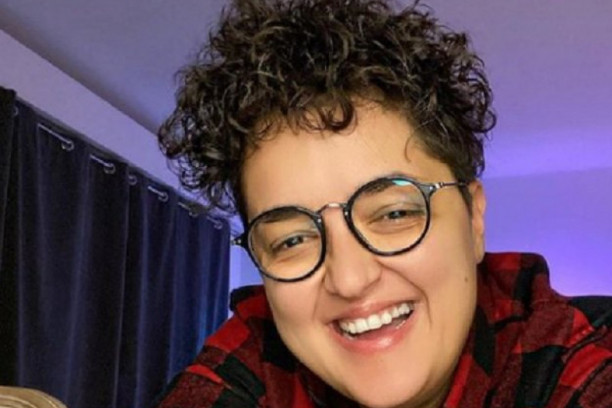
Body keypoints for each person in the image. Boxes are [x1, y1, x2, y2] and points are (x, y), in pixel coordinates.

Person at [154, 0, 612, 406]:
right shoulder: (254, 358)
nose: (350, 280)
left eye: (394, 214)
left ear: (473, 220)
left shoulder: (580, 359)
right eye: (292, 240)